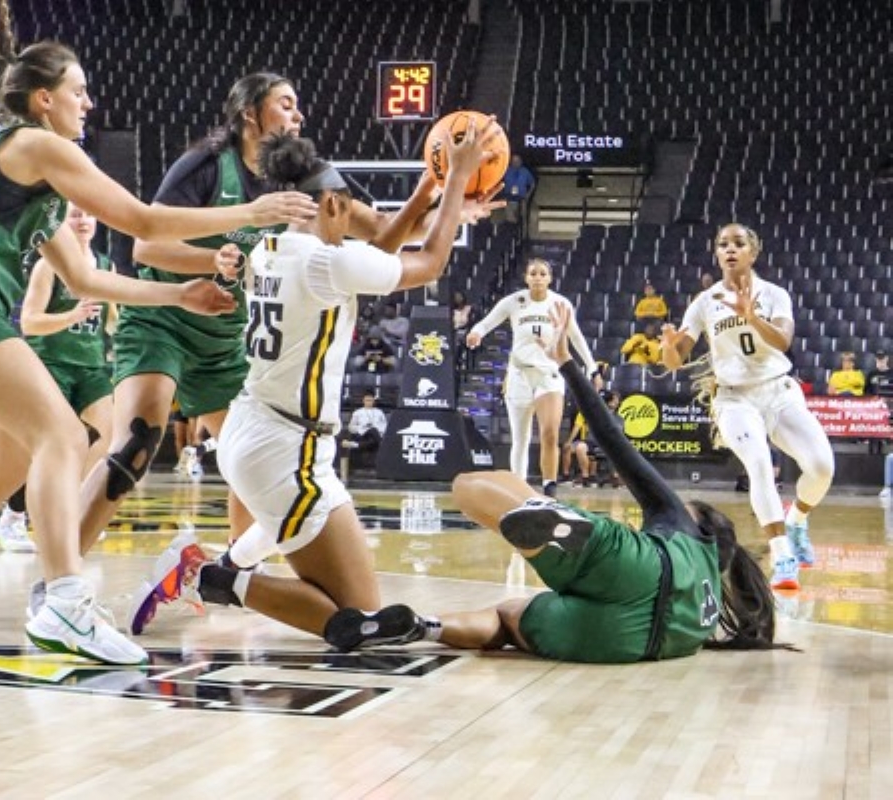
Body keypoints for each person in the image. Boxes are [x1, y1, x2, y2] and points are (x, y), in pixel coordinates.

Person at [0, 1, 316, 667]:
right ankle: (65, 601)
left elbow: (91, 281)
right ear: (45, 100)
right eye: (79, 91)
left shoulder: (39, 181)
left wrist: (178, 291)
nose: (89, 103)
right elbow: (144, 221)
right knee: (65, 437)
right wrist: (254, 209)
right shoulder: (40, 145)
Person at [68, 72, 500, 571]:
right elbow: (147, 245)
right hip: (164, 318)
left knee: (246, 463)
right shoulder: (207, 165)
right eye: (286, 105)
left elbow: (382, 231)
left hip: (227, 336)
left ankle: (231, 576)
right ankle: (61, 581)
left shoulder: (302, 176)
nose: (299, 116)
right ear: (250, 113)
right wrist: (215, 261)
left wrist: (448, 200)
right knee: (138, 441)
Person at [126, 126, 487, 641]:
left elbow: (380, 250)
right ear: (335, 204)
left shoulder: (263, 246)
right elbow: (428, 262)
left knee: (290, 524)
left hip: (262, 430)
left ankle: (222, 561)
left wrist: (430, 188)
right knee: (358, 618)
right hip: (285, 450)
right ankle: (205, 576)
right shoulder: (326, 262)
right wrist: (457, 181)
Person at [323, 303, 785, 663]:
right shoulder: (704, 612)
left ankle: (544, 513)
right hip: (627, 642)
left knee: (467, 485)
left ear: (701, 523)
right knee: (507, 619)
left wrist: (566, 363)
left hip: (638, 565)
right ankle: (426, 627)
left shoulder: (681, 526)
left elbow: (612, 436)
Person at [660, 222, 835, 591]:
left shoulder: (774, 294)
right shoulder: (704, 302)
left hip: (778, 390)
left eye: (738, 243)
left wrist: (752, 316)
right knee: (758, 464)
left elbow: (783, 341)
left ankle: (798, 521)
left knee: (821, 467)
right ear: (717, 253)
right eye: (723, 244)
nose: (730, 249)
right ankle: (782, 553)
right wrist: (669, 347)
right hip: (734, 397)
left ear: (753, 253)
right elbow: (676, 362)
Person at [0, 202, 118, 554]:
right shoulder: (49, 265)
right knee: (46, 447)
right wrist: (72, 315)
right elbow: (29, 323)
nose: (83, 221)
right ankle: (13, 518)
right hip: (53, 363)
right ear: (62, 220)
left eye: (89, 215)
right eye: (75, 214)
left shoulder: (106, 266)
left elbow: (110, 320)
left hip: (92, 364)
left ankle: (73, 508)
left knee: (107, 439)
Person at [466, 258, 596, 497]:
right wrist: (476, 333)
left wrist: (591, 366)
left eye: (542, 273)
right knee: (521, 438)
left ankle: (549, 488)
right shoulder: (514, 301)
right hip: (518, 373)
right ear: (526, 278)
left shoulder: (560, 303)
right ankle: (520, 490)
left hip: (549, 374)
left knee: (549, 433)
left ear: (550, 278)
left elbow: (576, 337)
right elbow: (487, 323)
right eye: (533, 273)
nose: (537, 277)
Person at [564, 389, 622, 488]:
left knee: (615, 450)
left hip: (607, 445)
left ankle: (614, 477)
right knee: (580, 447)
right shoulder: (591, 413)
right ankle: (585, 477)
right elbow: (578, 426)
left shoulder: (618, 418)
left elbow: (617, 435)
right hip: (591, 442)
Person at [343, 390, 387, 470]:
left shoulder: (379, 412)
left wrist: (376, 429)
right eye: (367, 400)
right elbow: (351, 427)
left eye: (370, 400)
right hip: (363, 435)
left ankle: (356, 445)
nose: (369, 402)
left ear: (373, 401)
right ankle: (381, 446)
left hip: (375, 434)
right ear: (363, 401)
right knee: (374, 432)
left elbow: (384, 426)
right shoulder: (358, 412)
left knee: (374, 431)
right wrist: (362, 427)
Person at [500, 153, 535, 226]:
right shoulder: (506, 171)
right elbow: (500, 183)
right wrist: (502, 195)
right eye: (514, 161)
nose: (515, 163)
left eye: (517, 161)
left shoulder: (525, 172)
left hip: (522, 199)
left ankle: (523, 233)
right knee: (510, 219)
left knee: (523, 218)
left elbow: (532, 184)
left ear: (521, 162)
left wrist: (528, 195)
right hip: (509, 199)